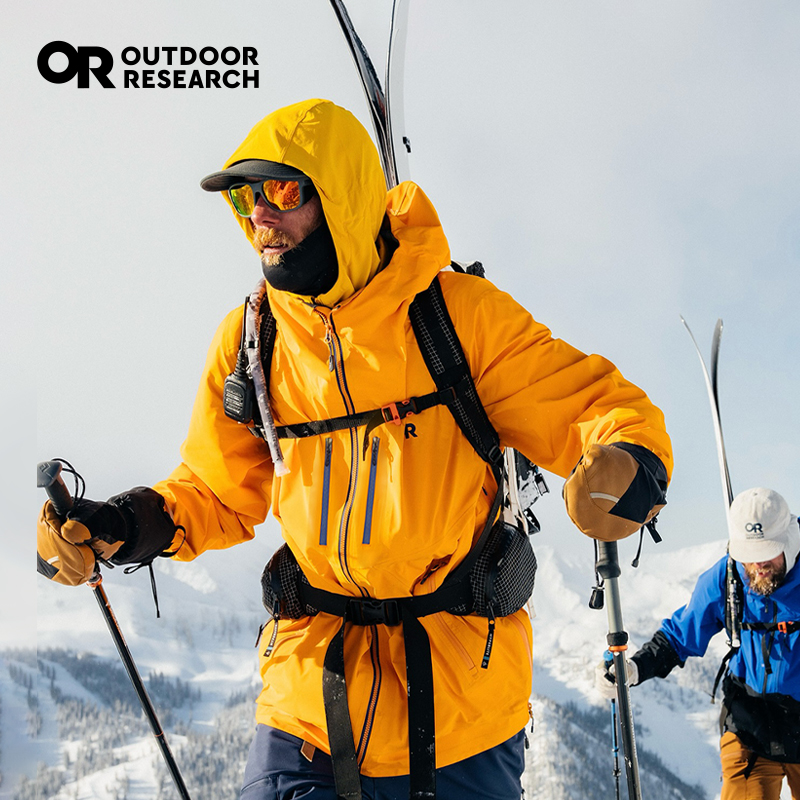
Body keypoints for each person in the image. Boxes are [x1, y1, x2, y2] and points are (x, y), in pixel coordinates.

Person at [38, 98, 672, 800]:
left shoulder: (456, 317)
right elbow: (218, 491)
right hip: (309, 691)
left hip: (462, 700)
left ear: (341, 193)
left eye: (280, 190)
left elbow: (595, 405)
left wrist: (628, 460)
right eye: (246, 198)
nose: (258, 216)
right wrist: (123, 525)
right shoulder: (251, 340)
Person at [596, 486, 800, 800]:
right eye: (750, 556)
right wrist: (633, 668)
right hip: (751, 726)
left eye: (767, 554)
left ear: (790, 540)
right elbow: (680, 636)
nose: (758, 566)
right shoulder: (729, 577)